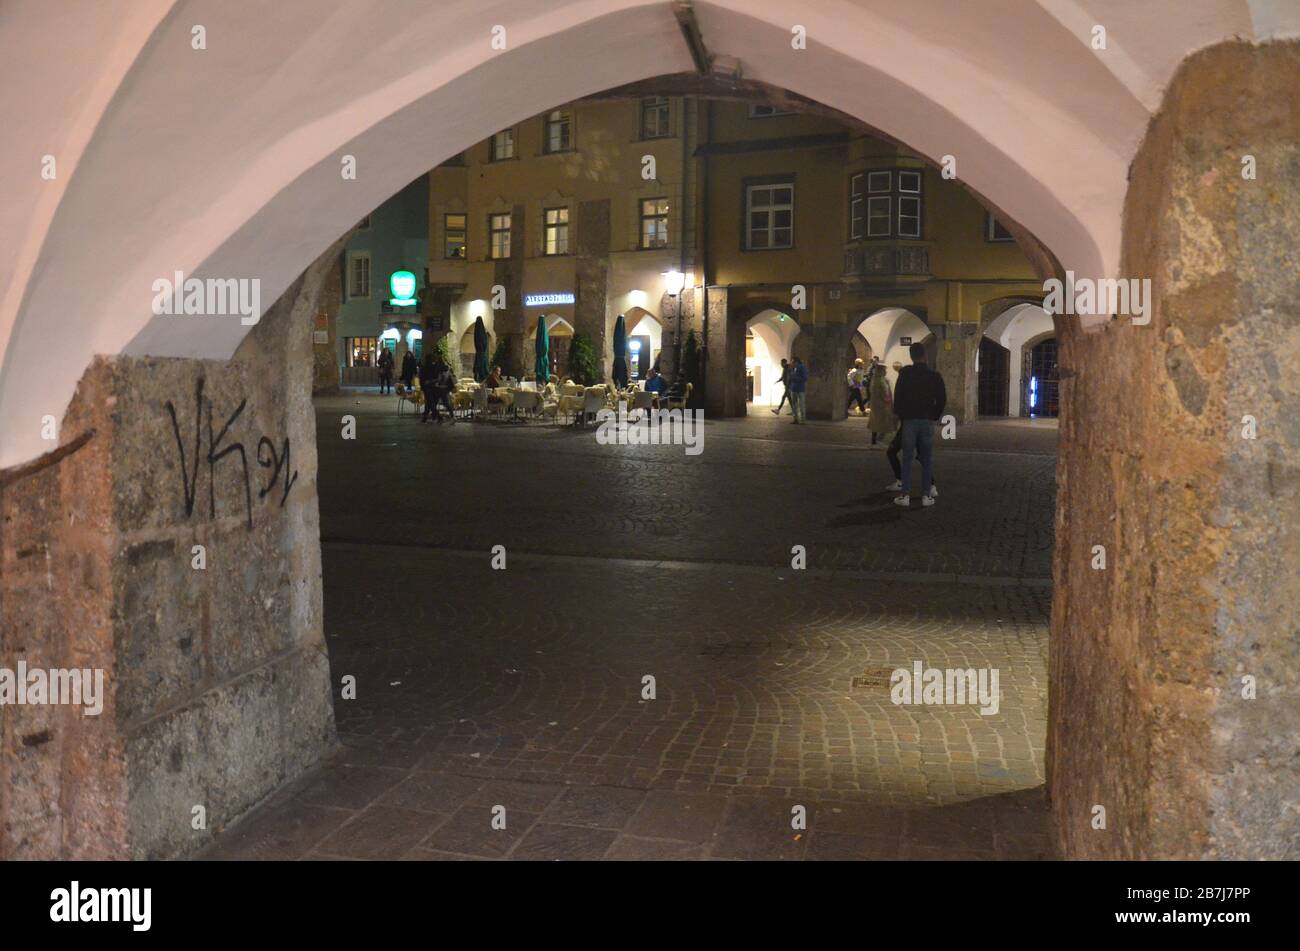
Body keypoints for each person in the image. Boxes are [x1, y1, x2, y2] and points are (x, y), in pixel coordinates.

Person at [890, 343, 945, 507]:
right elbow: (942, 399)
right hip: (927, 420)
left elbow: (898, 396)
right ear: (925, 356)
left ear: (911, 356)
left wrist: (901, 415)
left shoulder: (905, 374)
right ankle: (926, 495)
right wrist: (934, 415)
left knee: (907, 458)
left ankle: (905, 495)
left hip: (909, 421)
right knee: (927, 459)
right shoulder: (934, 376)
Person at [866, 356, 895, 446]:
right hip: (882, 405)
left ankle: (875, 441)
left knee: (876, 423)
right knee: (883, 423)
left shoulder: (875, 380)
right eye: (884, 370)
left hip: (876, 404)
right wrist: (888, 401)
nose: (886, 372)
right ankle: (878, 440)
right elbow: (885, 392)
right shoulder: (881, 380)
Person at [789, 356, 809, 424]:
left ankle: (803, 420)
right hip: (794, 388)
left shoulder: (802, 367)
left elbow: (805, 378)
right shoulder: (794, 368)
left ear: (796, 362)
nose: (791, 363)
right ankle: (795, 419)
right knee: (794, 405)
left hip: (800, 389)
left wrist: (795, 377)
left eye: (792, 362)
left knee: (801, 405)